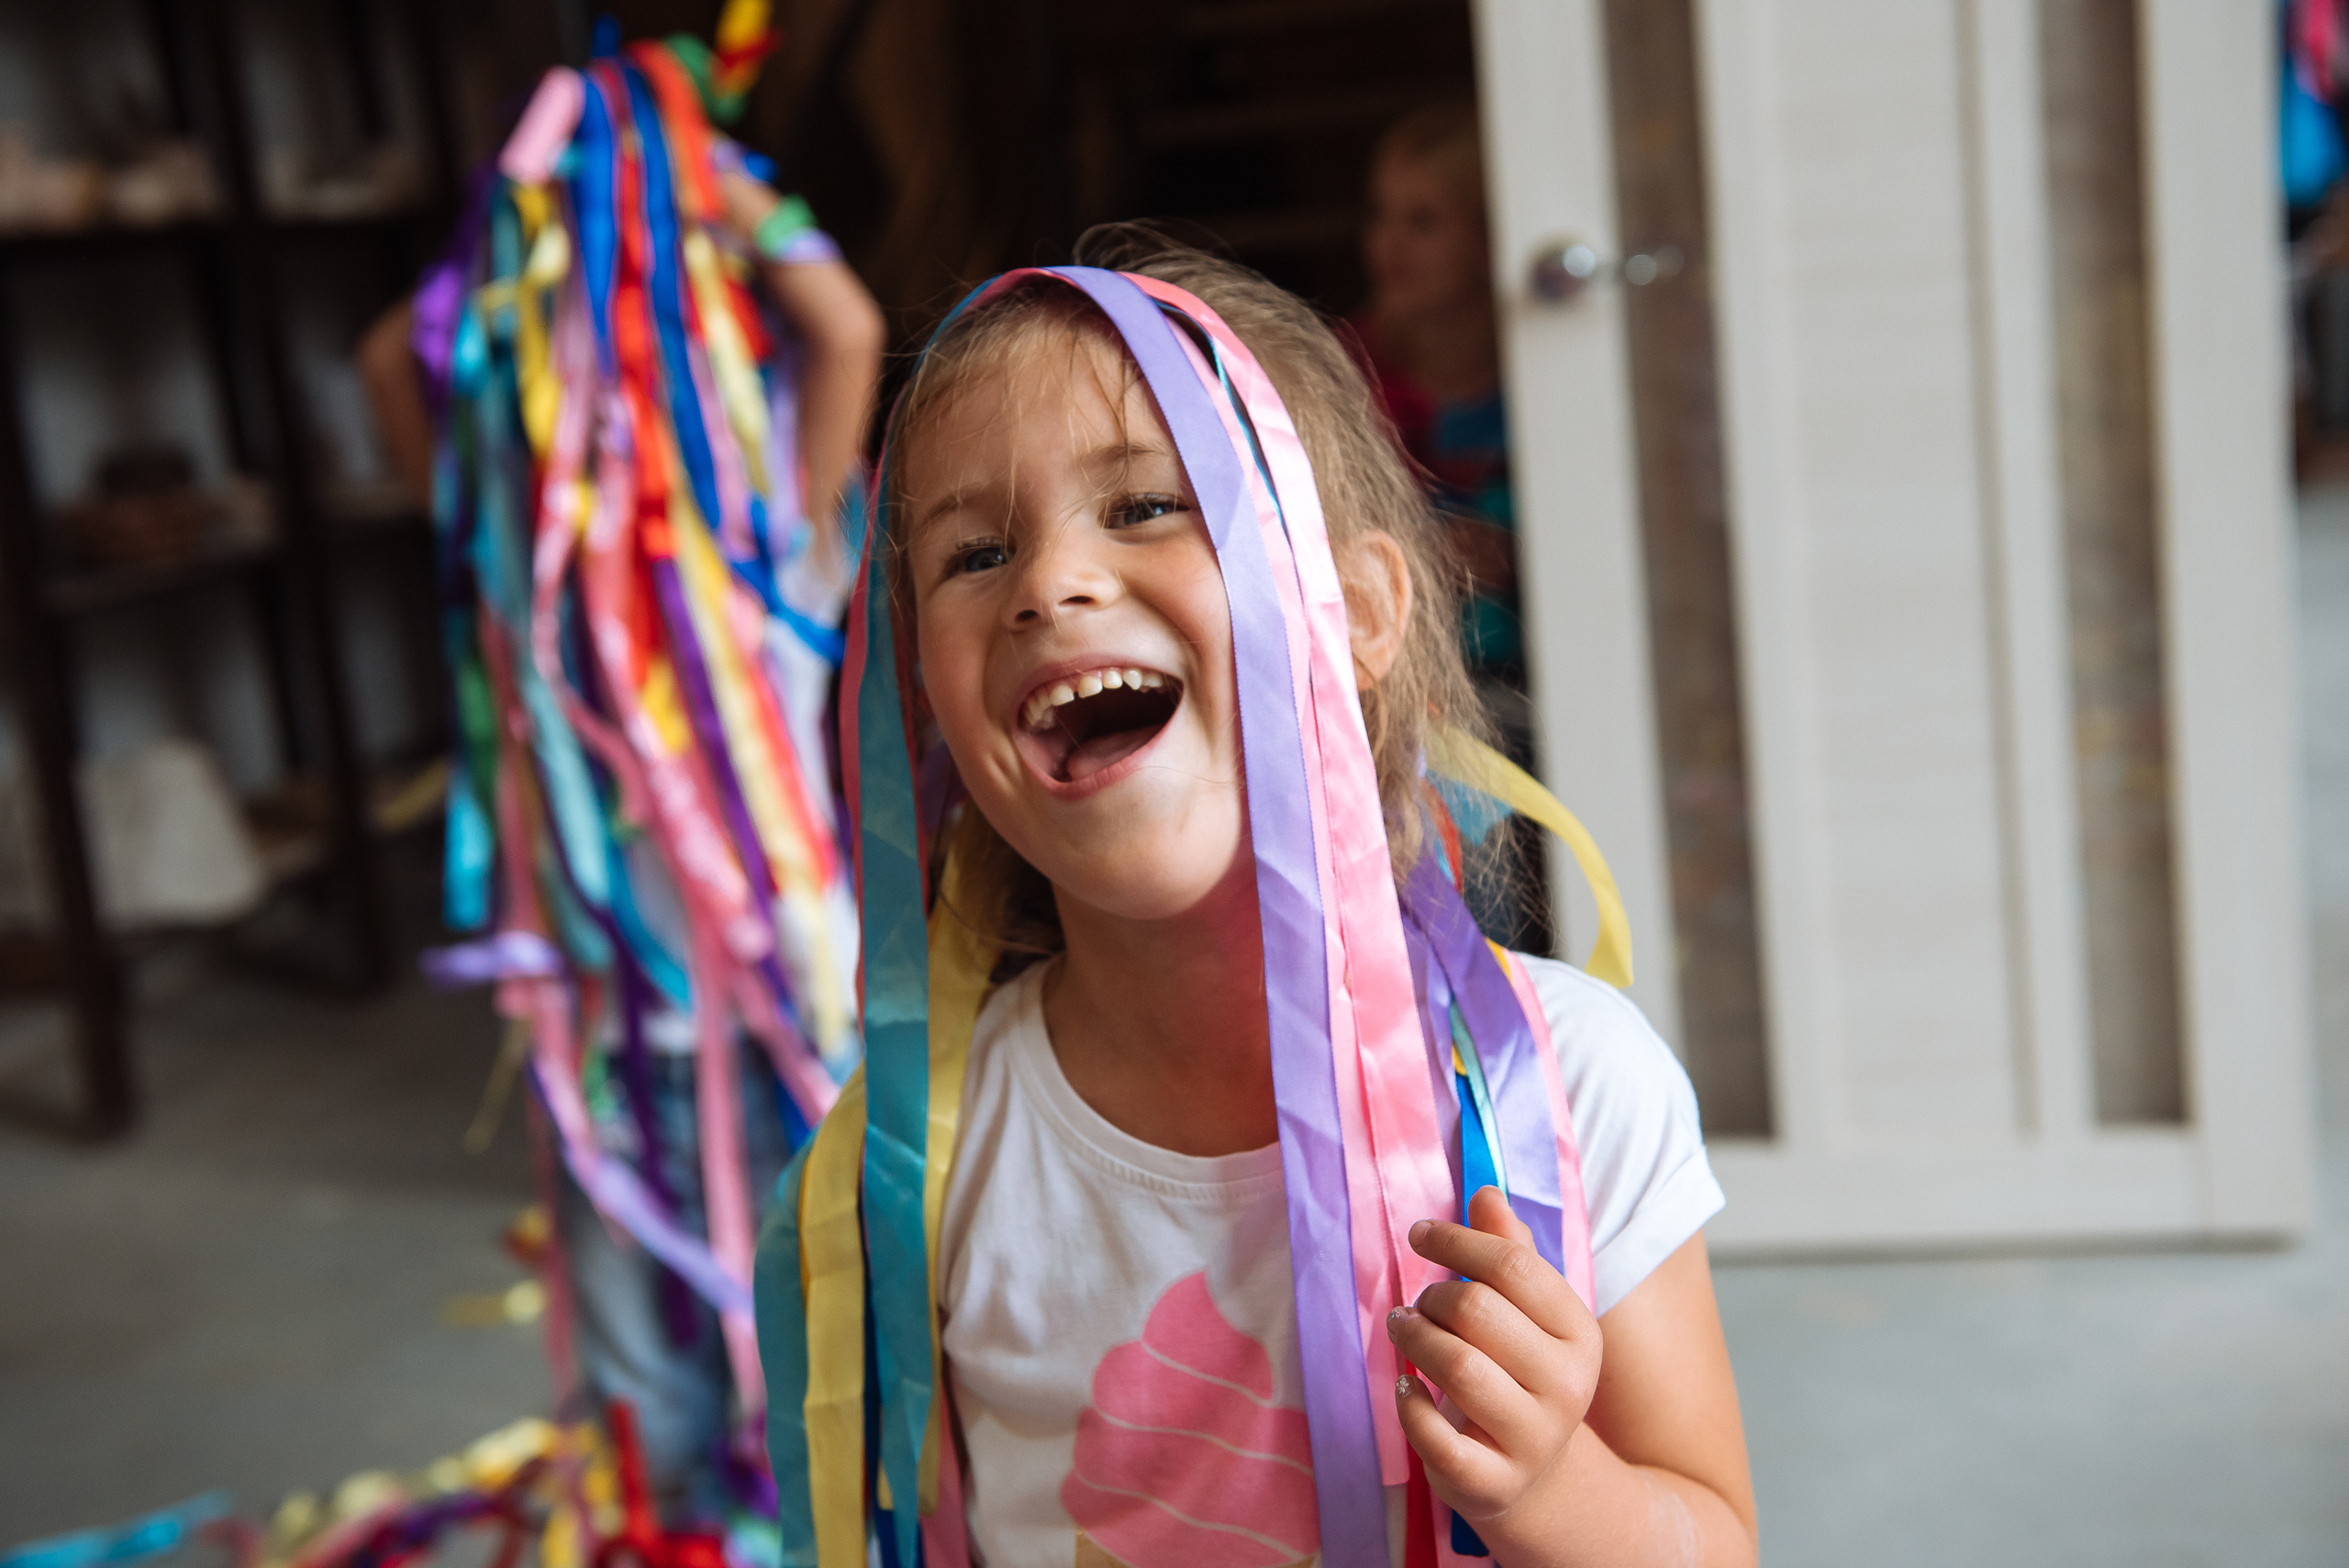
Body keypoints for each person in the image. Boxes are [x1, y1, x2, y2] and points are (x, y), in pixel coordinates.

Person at [757, 238, 1755, 1567]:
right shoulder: (925, 1163)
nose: (1049, 586)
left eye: (1149, 506)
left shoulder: (1569, 1089)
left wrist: (1554, 1489)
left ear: (1354, 610)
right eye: (977, 552)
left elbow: (1714, 1536)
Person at [358, 134, 885, 1527]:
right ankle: (668, 1532)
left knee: (829, 1321)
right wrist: (535, 203)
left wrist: (702, 179)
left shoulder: (780, 531)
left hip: (792, 1018)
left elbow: (850, 327)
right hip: (593, 1032)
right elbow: (381, 360)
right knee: (634, 1369)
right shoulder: (505, 547)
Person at [1356, 101, 1518, 679]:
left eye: (1422, 222)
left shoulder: (1545, 378)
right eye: (1381, 215)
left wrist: (1517, 554)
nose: (1389, 245)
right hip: (1395, 674)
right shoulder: (1344, 368)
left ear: (1487, 237)